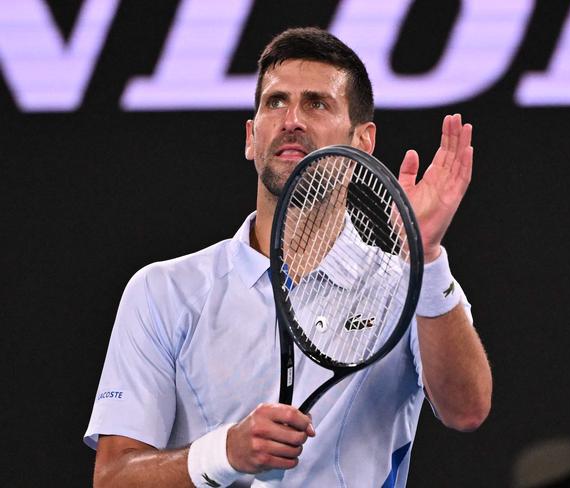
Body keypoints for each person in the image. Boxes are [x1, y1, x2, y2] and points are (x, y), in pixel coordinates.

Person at [84, 27, 492, 488]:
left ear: (363, 141)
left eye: (317, 103)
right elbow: (113, 477)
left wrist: (429, 256)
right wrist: (224, 453)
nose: (291, 119)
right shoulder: (163, 291)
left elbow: (467, 409)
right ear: (251, 137)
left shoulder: (407, 288)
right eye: (275, 102)